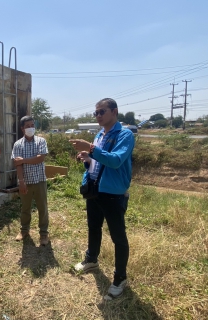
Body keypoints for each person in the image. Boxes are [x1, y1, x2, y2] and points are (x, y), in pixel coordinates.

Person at [69, 98, 135, 300]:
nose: (98, 116)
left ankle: (120, 277)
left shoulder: (125, 135)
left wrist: (90, 149)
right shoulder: (99, 135)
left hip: (113, 193)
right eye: (96, 112)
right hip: (95, 189)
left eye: (101, 112)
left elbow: (115, 161)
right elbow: (98, 161)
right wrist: (87, 159)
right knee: (93, 226)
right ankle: (91, 259)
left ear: (114, 112)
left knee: (118, 236)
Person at [11, 116, 49, 246]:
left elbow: (40, 158)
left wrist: (24, 160)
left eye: (32, 125)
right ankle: (24, 230)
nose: (30, 128)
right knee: (25, 208)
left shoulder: (41, 141)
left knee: (42, 208)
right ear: (22, 128)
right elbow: (18, 164)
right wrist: (21, 182)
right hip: (25, 181)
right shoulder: (18, 145)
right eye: (27, 126)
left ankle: (43, 233)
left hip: (39, 180)